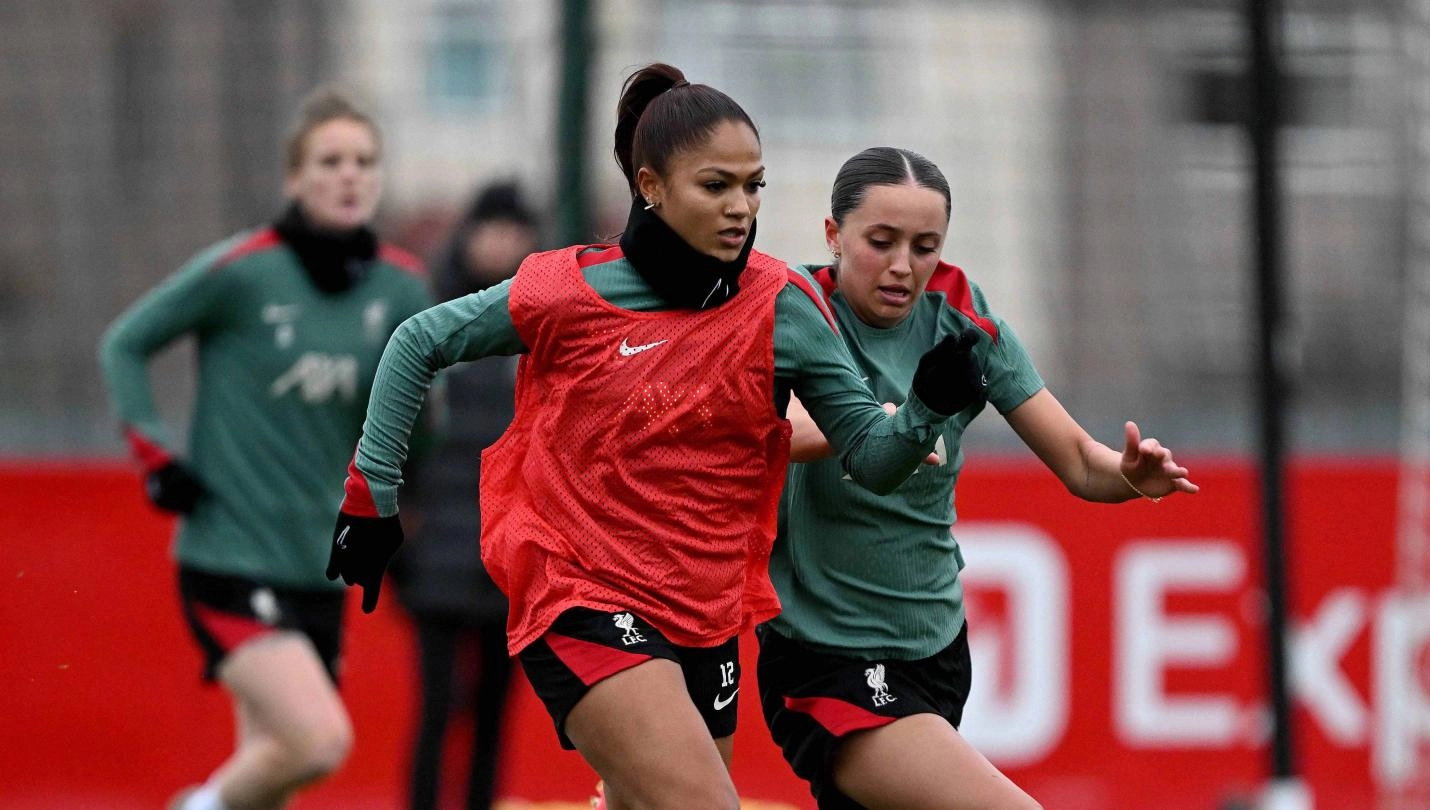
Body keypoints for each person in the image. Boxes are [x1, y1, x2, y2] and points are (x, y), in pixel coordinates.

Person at [324, 64, 987, 810]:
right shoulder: (568, 291)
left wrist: (928, 406)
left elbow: (870, 455)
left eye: (754, 186)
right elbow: (417, 341)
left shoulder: (784, 305)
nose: (741, 209)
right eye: (717, 187)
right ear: (651, 186)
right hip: (579, 590)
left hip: (705, 616)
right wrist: (370, 498)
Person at [756, 146, 1199, 810]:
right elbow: (782, 434)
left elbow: (1080, 463)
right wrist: (878, 423)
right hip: (828, 660)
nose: (904, 265)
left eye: (925, 245)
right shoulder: (795, 312)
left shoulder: (964, 323)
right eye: (882, 241)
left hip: (936, 652)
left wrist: (1131, 474)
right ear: (832, 235)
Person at [97, 89, 433, 810]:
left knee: (274, 766)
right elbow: (125, 344)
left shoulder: (402, 288)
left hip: (319, 564)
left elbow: (414, 422)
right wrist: (155, 453)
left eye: (364, 162)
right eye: (331, 161)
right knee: (318, 742)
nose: (351, 175)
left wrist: (408, 500)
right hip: (228, 556)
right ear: (294, 178)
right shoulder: (243, 271)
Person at [390, 182, 539, 810]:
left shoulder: (543, 325)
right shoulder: (428, 322)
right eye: (491, 227)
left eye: (515, 229)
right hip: (435, 560)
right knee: (436, 706)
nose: (501, 242)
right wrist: (401, 541)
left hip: (511, 565)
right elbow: (392, 442)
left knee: (492, 720)